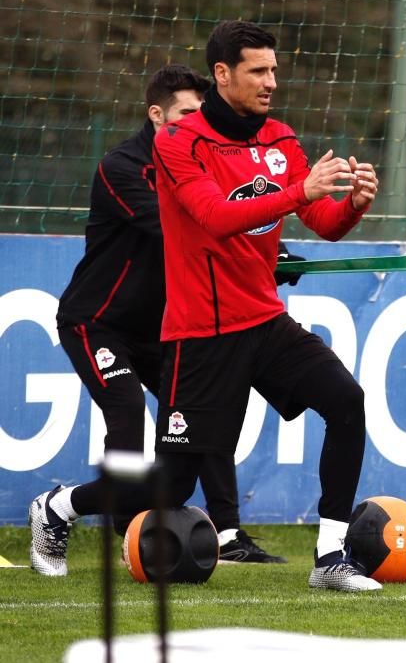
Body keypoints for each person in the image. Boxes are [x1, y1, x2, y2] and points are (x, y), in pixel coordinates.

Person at [30, 21, 382, 592]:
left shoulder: (282, 139)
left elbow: (324, 225)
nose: (272, 81)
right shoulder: (178, 143)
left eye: (273, 68)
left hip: (265, 322)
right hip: (200, 335)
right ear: (223, 74)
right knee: (169, 487)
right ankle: (60, 507)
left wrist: (353, 206)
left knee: (346, 401)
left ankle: (331, 557)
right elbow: (216, 219)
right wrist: (299, 192)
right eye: (258, 70)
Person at [54, 63, 288, 564]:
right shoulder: (122, 167)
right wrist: (255, 246)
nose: (195, 123)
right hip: (96, 323)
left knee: (208, 415)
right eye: (185, 114)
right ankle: (125, 534)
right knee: (125, 413)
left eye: (202, 114)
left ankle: (228, 535)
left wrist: (276, 252)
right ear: (156, 115)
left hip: (161, 329)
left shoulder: (200, 162)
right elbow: (190, 225)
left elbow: (232, 215)